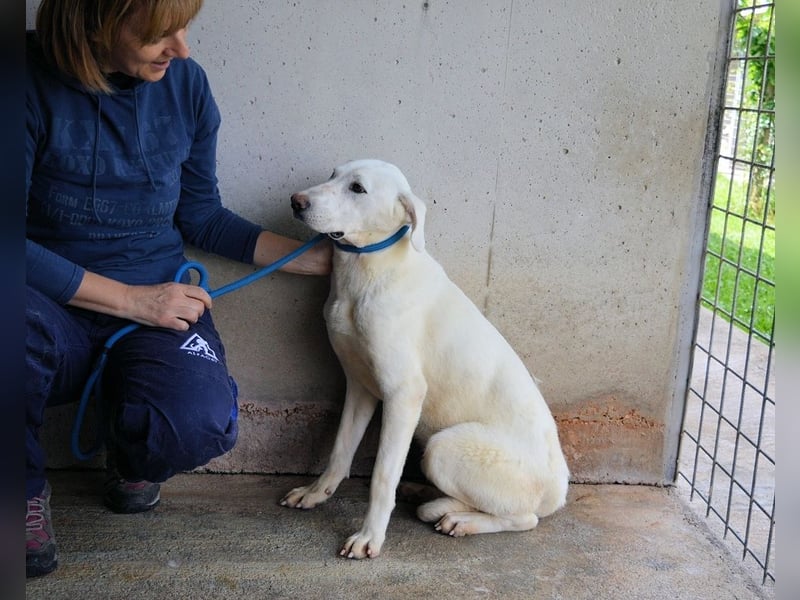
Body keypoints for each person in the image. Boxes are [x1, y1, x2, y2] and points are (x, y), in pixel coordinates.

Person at [25, 0, 331, 578]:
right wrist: (132, 300)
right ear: (92, 24)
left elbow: (200, 216)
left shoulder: (185, 85)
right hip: (42, 308)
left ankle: (134, 447)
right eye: (158, 34)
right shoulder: (22, 78)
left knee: (198, 421)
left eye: (185, 26)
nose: (182, 48)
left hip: (155, 310)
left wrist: (310, 259)